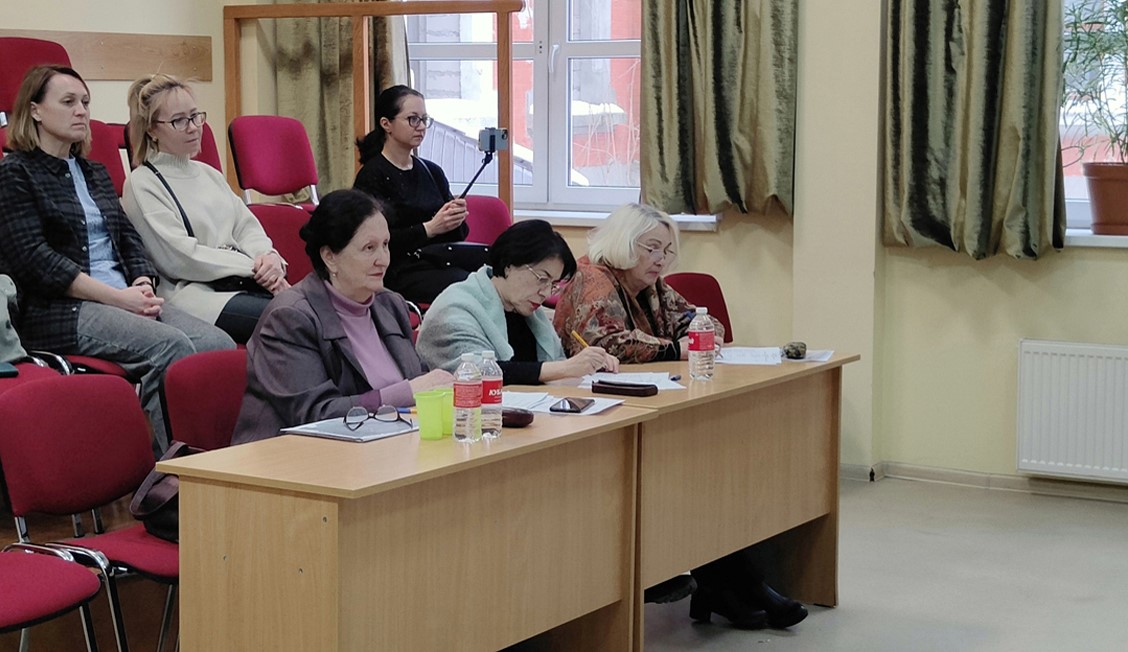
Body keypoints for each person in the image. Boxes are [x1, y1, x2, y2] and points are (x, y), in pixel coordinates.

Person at [553, 203, 808, 630]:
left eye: (667, 251)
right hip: (594, 414)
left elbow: (700, 320)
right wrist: (676, 347)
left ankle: (730, 585)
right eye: (651, 248)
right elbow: (609, 344)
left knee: (705, 472)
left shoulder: (650, 285)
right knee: (690, 475)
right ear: (624, 243)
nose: (661, 259)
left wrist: (697, 330)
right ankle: (735, 586)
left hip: (644, 401)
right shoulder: (594, 278)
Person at [0, 65, 235, 452]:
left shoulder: (94, 172)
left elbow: (129, 238)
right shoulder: (15, 174)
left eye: (85, 102)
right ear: (35, 110)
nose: (81, 111)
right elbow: (35, 261)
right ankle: (172, 474)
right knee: (170, 347)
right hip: (59, 311)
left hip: (124, 297)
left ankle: (219, 462)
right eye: (68, 102)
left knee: (218, 346)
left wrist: (142, 282)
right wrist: (117, 298)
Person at [233, 189, 452, 445]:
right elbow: (314, 415)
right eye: (369, 248)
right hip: (293, 456)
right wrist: (407, 393)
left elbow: (421, 380)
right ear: (330, 257)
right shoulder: (290, 317)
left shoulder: (389, 304)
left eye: (385, 245)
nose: (383, 260)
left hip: (385, 448)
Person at [122, 73, 288, 344]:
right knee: (293, 317)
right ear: (151, 129)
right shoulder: (142, 183)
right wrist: (254, 268)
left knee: (324, 308)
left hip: (243, 282)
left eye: (196, 116)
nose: (193, 128)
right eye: (179, 121)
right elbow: (181, 258)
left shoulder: (209, 174)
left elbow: (246, 227)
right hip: (197, 296)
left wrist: (268, 258)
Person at [416, 220, 618, 382]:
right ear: (509, 264)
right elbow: (475, 373)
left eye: (553, 284)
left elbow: (549, 366)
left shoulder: (528, 312)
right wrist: (564, 368)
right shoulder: (455, 307)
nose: (546, 293)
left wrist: (591, 364)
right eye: (542, 279)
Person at [352, 85, 470, 305]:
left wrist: (456, 219)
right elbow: (369, 243)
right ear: (386, 124)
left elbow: (458, 237)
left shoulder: (432, 171)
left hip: (438, 261)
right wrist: (430, 228)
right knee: (467, 286)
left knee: (491, 278)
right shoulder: (372, 175)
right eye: (413, 119)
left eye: (424, 119)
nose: (421, 127)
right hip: (397, 271)